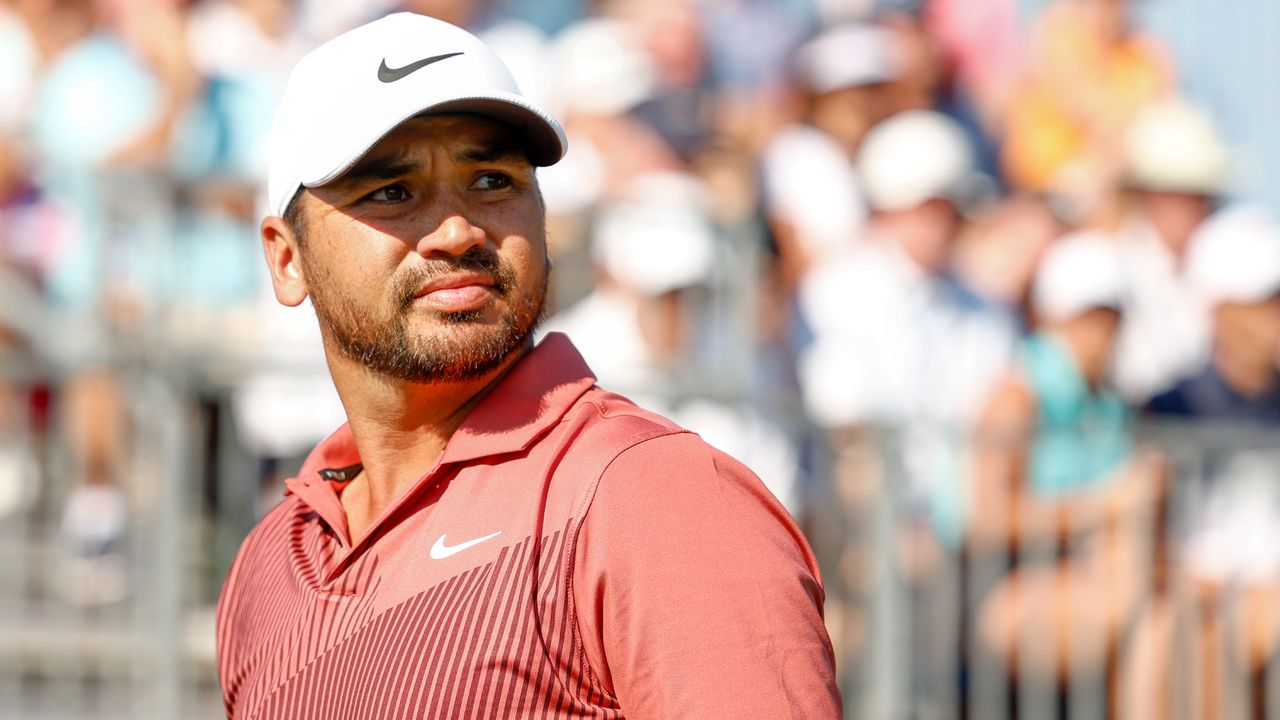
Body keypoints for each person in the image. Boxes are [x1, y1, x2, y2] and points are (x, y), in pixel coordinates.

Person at [215, 13, 840, 720]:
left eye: (490, 179)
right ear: (286, 258)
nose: (457, 230)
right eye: (392, 192)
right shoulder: (271, 559)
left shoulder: (655, 497)